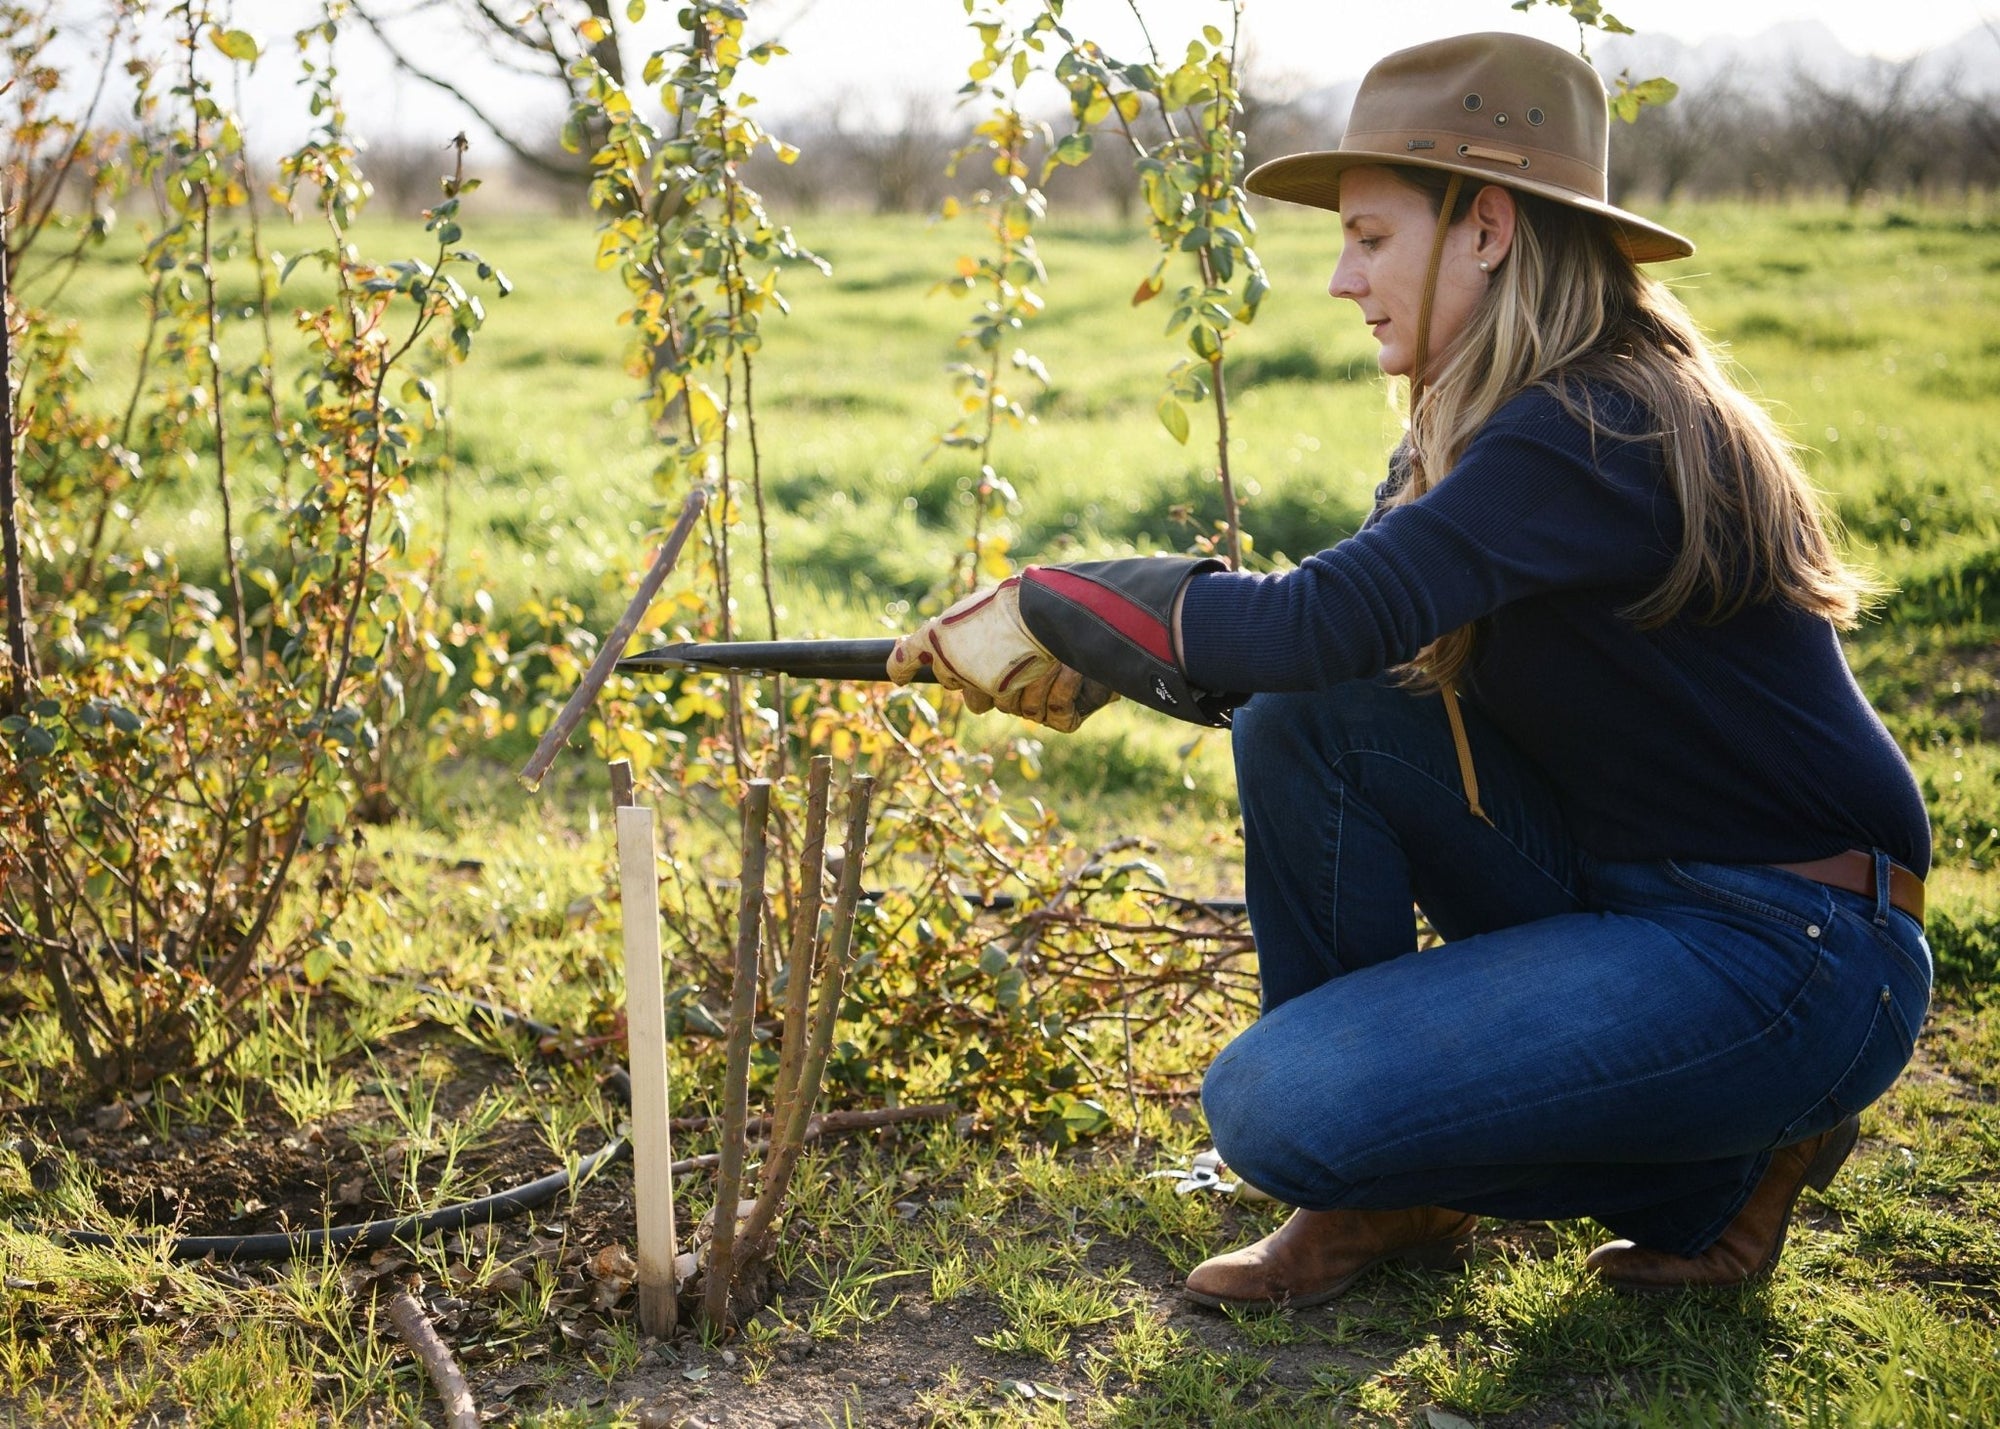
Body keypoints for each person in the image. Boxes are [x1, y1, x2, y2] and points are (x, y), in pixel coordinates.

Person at [886, 31, 1931, 1304]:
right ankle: (1380, 1194)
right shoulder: (1490, 424)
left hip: (1788, 943)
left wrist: (1054, 601)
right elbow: (1325, 654)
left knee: (1270, 1104)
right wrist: (1115, 655)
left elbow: (1309, 616)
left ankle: (1718, 1160)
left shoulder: (1595, 420)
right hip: (1627, 885)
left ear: (1485, 229)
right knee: (1310, 716)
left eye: (1369, 238)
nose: (1339, 278)